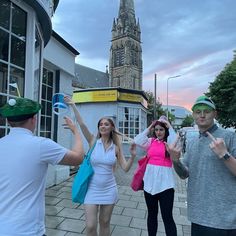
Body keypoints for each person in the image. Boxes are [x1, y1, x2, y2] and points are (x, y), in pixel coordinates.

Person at [0, 97, 84, 236]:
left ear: (8, 121)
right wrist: (76, 131)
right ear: (34, 119)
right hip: (27, 230)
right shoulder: (41, 145)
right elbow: (78, 158)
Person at [64, 96, 137, 236]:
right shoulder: (93, 141)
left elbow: (125, 168)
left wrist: (133, 156)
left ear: (111, 128)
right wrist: (73, 105)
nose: (103, 126)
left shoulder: (116, 147)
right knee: (90, 226)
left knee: (104, 223)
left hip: (109, 189)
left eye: (106, 124)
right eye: (101, 124)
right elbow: (82, 124)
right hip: (92, 189)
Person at [166, 95, 236, 236]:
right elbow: (184, 174)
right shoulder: (192, 142)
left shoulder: (229, 137)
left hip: (224, 219)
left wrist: (225, 155)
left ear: (214, 114)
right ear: (193, 115)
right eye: (198, 111)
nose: (202, 115)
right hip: (197, 215)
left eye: (207, 111)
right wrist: (175, 160)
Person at [133, 116, 177, 236]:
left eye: (161, 129)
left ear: (166, 130)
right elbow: (137, 140)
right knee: (152, 215)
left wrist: (169, 125)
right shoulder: (151, 142)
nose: (158, 132)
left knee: (167, 217)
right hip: (149, 185)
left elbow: (175, 140)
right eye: (156, 130)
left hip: (165, 186)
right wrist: (150, 127)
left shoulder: (169, 144)